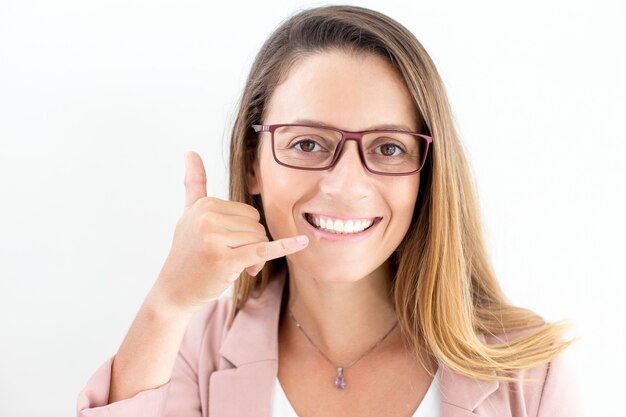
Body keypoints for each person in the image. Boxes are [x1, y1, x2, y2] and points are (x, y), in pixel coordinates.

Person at [76, 5, 583, 417]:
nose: (344, 185)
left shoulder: (530, 373)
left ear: (427, 174)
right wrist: (167, 302)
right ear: (252, 164)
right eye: (307, 143)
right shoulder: (189, 351)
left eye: (388, 148)